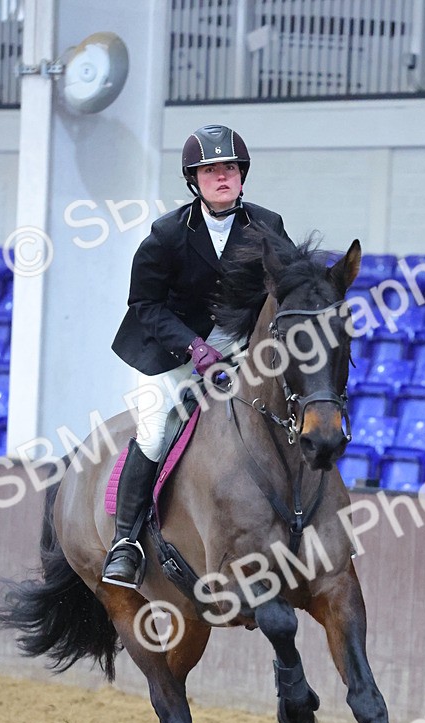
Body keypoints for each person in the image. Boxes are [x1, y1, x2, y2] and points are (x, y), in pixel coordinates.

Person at [104, 124, 293, 588]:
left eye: (229, 167)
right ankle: (125, 543)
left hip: (239, 347)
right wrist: (192, 345)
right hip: (172, 351)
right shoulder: (168, 233)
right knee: (155, 431)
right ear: (195, 180)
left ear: (242, 174)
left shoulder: (267, 225)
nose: (221, 176)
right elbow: (143, 304)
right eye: (210, 170)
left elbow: (289, 287)